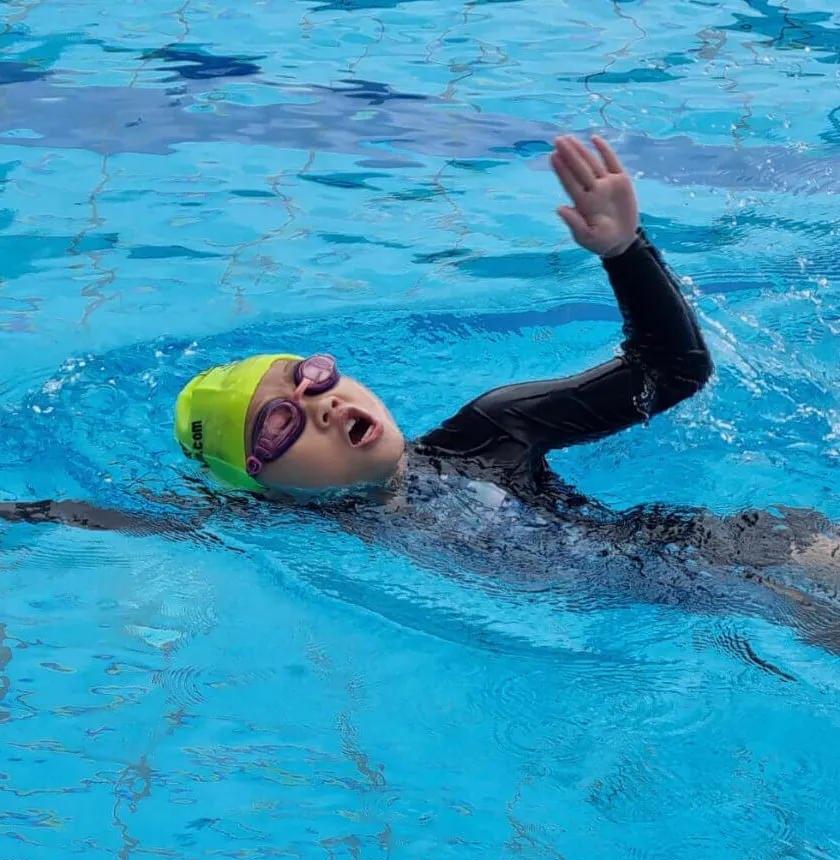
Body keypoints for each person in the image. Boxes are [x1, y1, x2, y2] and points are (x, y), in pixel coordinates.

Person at [1, 135, 837, 653]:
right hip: (691, 616)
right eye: (281, 420)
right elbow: (122, 518)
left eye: (311, 377)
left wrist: (624, 250)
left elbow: (672, 374)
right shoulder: (273, 525)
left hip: (725, 554)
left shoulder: (490, 431)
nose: (320, 403)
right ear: (260, 482)